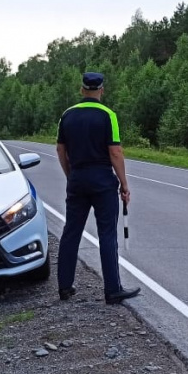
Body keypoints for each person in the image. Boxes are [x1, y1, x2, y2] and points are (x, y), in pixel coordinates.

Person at [55, 71, 141, 305]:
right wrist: (124, 184)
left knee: (71, 232)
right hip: (102, 180)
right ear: (102, 90)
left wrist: (70, 175)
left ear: (82, 90)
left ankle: (64, 286)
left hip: (77, 178)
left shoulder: (67, 115)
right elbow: (115, 152)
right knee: (107, 234)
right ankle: (112, 289)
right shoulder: (108, 115)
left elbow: (61, 149)